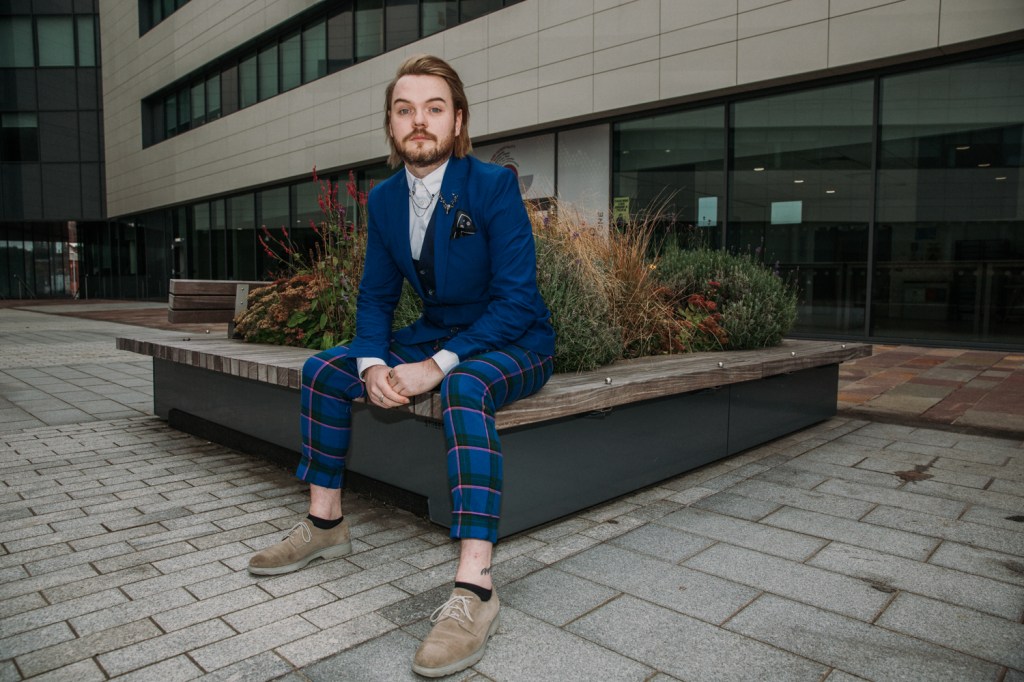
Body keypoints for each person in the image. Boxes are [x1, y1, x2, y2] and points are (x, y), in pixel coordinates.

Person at [247, 54, 555, 678]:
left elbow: (517, 300)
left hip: (516, 338)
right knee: (323, 371)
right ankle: (325, 524)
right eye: (405, 109)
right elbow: (376, 296)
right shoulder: (386, 198)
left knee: (464, 386)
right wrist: (369, 365)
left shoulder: (492, 186)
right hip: (440, 332)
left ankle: (476, 588)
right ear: (390, 124)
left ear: (458, 120)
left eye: (434, 108)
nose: (419, 121)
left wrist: (434, 367)